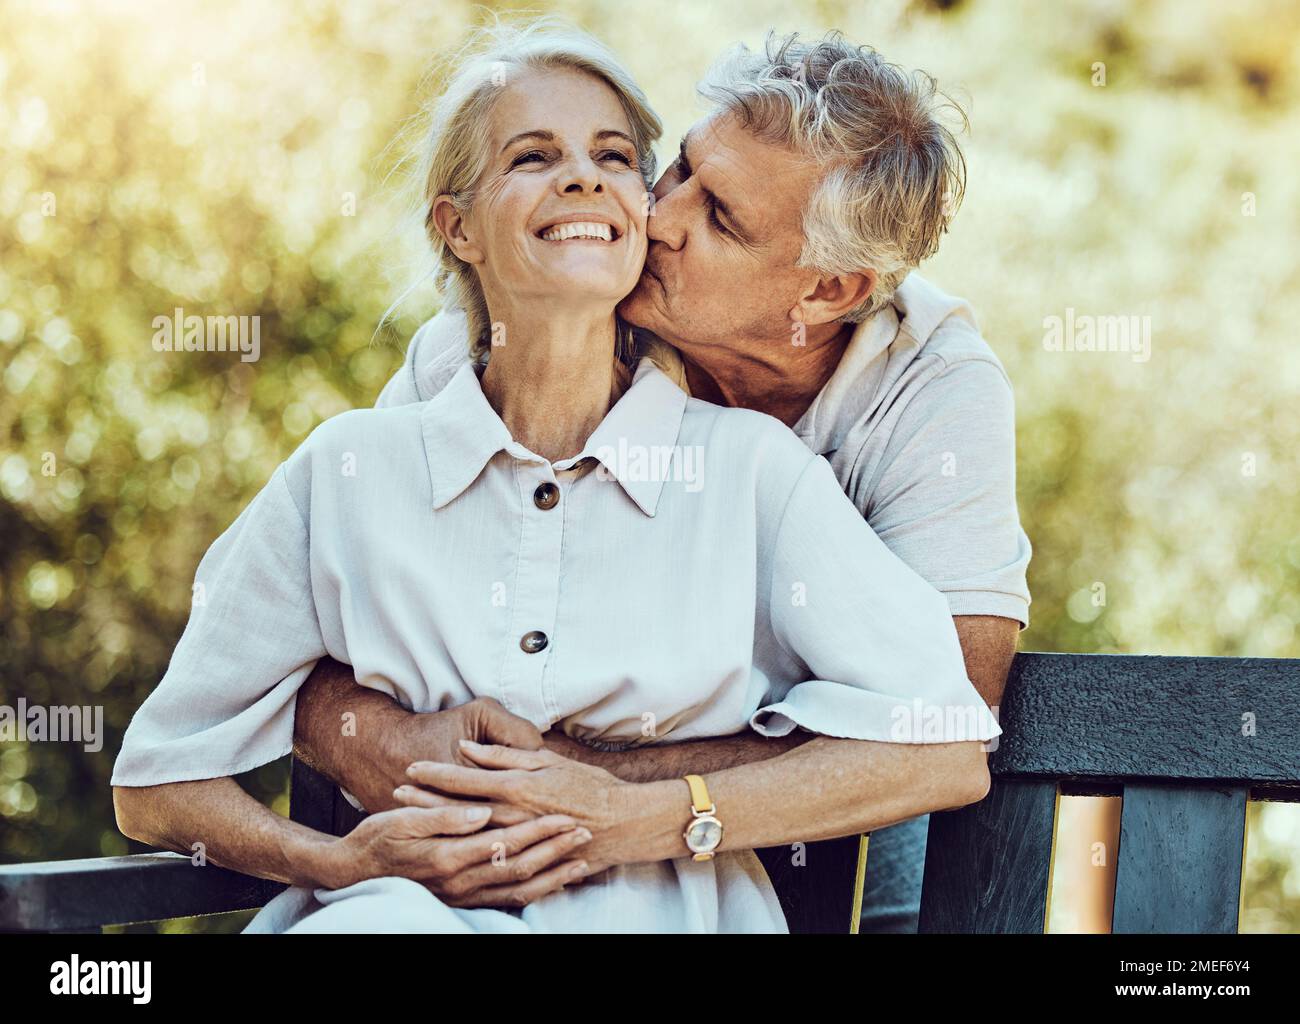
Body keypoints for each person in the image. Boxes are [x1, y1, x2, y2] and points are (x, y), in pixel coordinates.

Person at [111, 20, 1000, 933]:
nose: (660, 213)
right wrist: (360, 807)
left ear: (824, 292)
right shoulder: (379, 439)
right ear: (456, 227)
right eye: (674, 169)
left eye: (620, 158)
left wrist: (613, 804)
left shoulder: (856, 430)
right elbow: (213, 715)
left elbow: (942, 730)